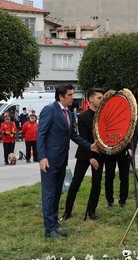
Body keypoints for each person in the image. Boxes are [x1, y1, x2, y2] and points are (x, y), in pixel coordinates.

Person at [37, 84, 96, 239]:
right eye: (70, 95)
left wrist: (90, 146)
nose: (73, 97)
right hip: (49, 161)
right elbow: (41, 134)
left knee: (57, 193)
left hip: (62, 160)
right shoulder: (49, 110)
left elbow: (73, 136)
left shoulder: (69, 114)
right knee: (49, 194)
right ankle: (49, 230)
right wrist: (42, 157)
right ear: (61, 96)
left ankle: (54, 222)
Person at [63, 88, 103, 221]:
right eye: (99, 98)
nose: (101, 100)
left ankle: (92, 210)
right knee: (76, 183)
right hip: (85, 155)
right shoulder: (82, 117)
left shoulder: (103, 116)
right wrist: (90, 157)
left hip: (99, 154)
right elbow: (83, 139)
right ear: (91, 99)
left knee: (96, 184)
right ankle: (67, 212)